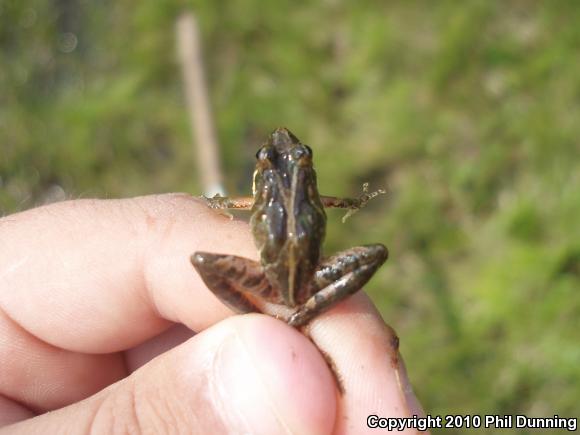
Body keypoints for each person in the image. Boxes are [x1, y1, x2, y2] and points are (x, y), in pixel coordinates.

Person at [0, 194, 424, 434]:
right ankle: (272, 320)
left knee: (206, 261)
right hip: (313, 277)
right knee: (374, 253)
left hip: (271, 283)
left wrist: (215, 204)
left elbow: (229, 205)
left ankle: (255, 318)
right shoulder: (310, 195)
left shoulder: (260, 197)